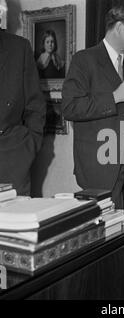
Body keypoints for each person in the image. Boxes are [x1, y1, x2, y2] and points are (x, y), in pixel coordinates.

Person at [62, 6, 124, 223]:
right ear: (119, 27)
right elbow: (70, 107)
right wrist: (114, 97)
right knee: (107, 240)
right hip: (101, 166)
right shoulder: (84, 60)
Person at [0, 29, 46, 195]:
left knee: (12, 220)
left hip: (11, 161)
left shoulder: (19, 47)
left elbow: (35, 105)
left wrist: (29, 145)